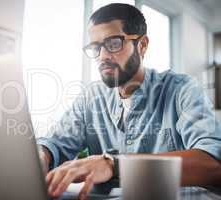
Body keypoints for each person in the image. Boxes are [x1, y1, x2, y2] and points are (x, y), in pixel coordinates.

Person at [37, 3, 221, 200]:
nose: (103, 56)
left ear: (142, 46)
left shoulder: (182, 89)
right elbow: (54, 144)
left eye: (114, 43)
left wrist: (114, 164)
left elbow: (213, 163)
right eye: (96, 47)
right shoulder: (91, 99)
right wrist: (41, 156)